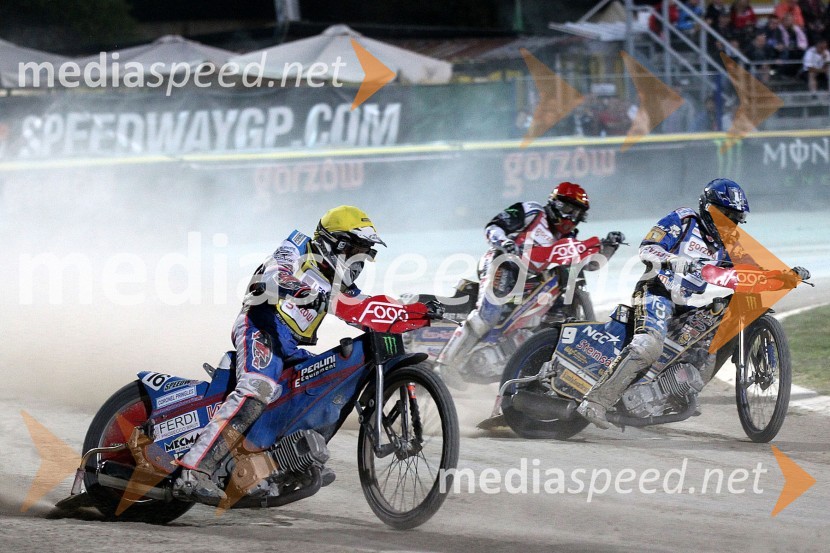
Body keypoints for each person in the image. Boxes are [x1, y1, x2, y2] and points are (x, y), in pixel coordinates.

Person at [174, 205, 385, 503]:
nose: (358, 260)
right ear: (331, 242)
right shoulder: (297, 247)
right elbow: (274, 277)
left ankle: (276, 465)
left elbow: (366, 310)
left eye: (365, 253)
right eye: (353, 250)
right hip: (259, 327)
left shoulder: (340, 284)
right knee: (257, 388)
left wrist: (425, 309)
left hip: (288, 349)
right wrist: (306, 292)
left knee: (322, 385)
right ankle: (194, 470)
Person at [576, 179, 749, 429]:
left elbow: (744, 273)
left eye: (734, 217)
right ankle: (595, 402)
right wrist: (673, 260)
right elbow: (647, 248)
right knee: (648, 344)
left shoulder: (727, 245)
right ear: (709, 209)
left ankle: (675, 394)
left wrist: (784, 275)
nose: (729, 222)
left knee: (712, 336)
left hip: (682, 305)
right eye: (725, 214)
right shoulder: (684, 219)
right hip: (654, 292)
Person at [434, 182, 623, 386]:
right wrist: (505, 242)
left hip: (532, 280)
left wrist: (609, 247)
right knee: (489, 314)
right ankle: (444, 364)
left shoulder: (569, 238)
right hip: (503, 262)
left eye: (577, 214)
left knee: (536, 325)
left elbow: (590, 265)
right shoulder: (531, 211)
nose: (571, 218)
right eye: (568, 210)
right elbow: (494, 226)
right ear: (555, 204)